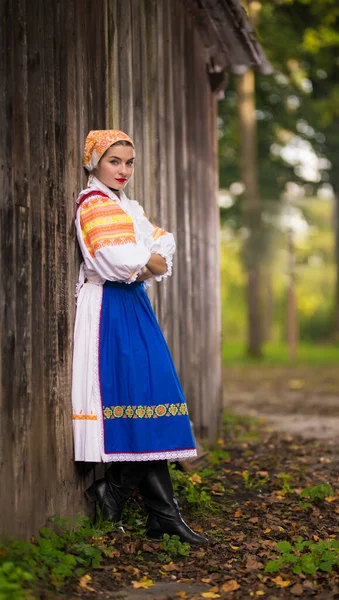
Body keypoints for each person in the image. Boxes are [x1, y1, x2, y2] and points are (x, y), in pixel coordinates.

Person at [71, 129, 207, 546]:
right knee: (138, 401)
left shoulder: (127, 206)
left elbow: (164, 245)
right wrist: (145, 259)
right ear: (94, 161)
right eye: (115, 161)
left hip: (133, 303)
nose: (124, 170)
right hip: (110, 308)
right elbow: (118, 261)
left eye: (129, 163)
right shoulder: (93, 204)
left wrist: (147, 258)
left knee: (152, 400)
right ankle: (143, 507)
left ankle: (130, 501)